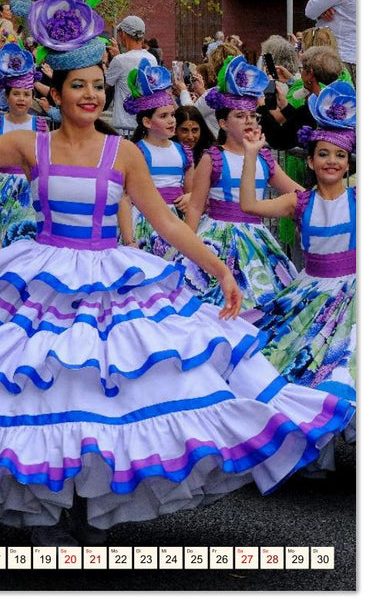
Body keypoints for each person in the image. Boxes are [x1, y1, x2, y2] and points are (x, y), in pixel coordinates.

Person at [0, 0, 353, 547]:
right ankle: (56, 507)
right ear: (58, 89)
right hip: (45, 278)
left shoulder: (123, 154)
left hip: (110, 280)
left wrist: (218, 268)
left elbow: (170, 223)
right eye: (79, 86)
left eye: (99, 86)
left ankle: (86, 509)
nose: (91, 95)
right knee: (46, 392)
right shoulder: (32, 145)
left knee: (106, 394)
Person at [239, 80, 356, 459]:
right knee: (297, 366)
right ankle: (311, 449)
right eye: (323, 154)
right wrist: (251, 155)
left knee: (348, 367)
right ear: (309, 160)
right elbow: (250, 207)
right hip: (312, 294)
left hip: (355, 295)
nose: (332, 162)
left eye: (340, 155)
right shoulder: (298, 201)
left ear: (349, 163)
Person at [182, 55, 304, 310]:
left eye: (252, 115)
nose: (249, 120)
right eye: (240, 115)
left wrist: (331, 201)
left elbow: (297, 192)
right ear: (224, 123)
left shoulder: (265, 158)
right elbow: (195, 206)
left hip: (256, 239)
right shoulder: (213, 158)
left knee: (263, 303)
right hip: (217, 238)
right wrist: (188, 246)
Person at [118, 60, 194, 258]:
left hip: (177, 222)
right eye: (163, 116)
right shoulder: (137, 152)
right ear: (147, 121)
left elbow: (193, 191)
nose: (171, 120)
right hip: (145, 223)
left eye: (172, 115)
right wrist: (129, 240)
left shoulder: (183, 152)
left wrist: (190, 197)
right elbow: (125, 197)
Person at [0, 42, 48, 246]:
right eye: (17, 93)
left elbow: (46, 164)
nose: (22, 99)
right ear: (7, 95)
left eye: (27, 94)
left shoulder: (40, 125)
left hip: (30, 191)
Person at [105, 14, 156, 138]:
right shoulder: (152, 58)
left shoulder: (120, 60)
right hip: (144, 127)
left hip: (124, 128)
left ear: (123, 35)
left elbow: (103, 86)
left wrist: (103, 62)